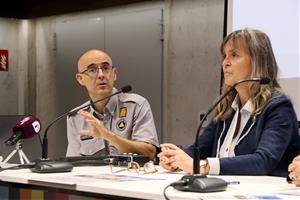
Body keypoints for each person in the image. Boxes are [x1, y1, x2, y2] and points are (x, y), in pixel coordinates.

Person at [158, 28, 299, 177]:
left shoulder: (278, 107)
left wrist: (203, 166)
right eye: (224, 56)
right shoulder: (226, 108)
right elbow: (199, 149)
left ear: (257, 61)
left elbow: (263, 161)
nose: (225, 62)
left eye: (234, 55)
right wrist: (175, 158)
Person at [66, 49, 159, 160]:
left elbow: (150, 152)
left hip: (130, 176)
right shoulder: (77, 116)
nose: (101, 75)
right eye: (92, 70)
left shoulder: (136, 105)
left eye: (105, 68)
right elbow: (73, 163)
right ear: (80, 79)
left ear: (114, 74)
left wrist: (108, 135)